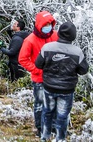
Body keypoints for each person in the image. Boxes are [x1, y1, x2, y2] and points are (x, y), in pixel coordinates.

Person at [35, 22, 89, 142]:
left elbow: (38, 64)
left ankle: (44, 137)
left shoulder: (47, 47)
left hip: (49, 87)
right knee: (62, 116)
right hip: (67, 90)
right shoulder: (77, 52)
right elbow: (84, 70)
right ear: (73, 36)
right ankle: (60, 138)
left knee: (47, 112)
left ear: (59, 33)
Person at [19, 10, 58, 138]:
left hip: (54, 78)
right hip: (39, 79)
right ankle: (40, 128)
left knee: (54, 103)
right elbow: (22, 59)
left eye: (51, 24)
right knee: (40, 104)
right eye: (46, 25)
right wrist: (37, 70)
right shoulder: (30, 40)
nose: (49, 27)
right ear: (39, 25)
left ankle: (52, 127)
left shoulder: (55, 36)